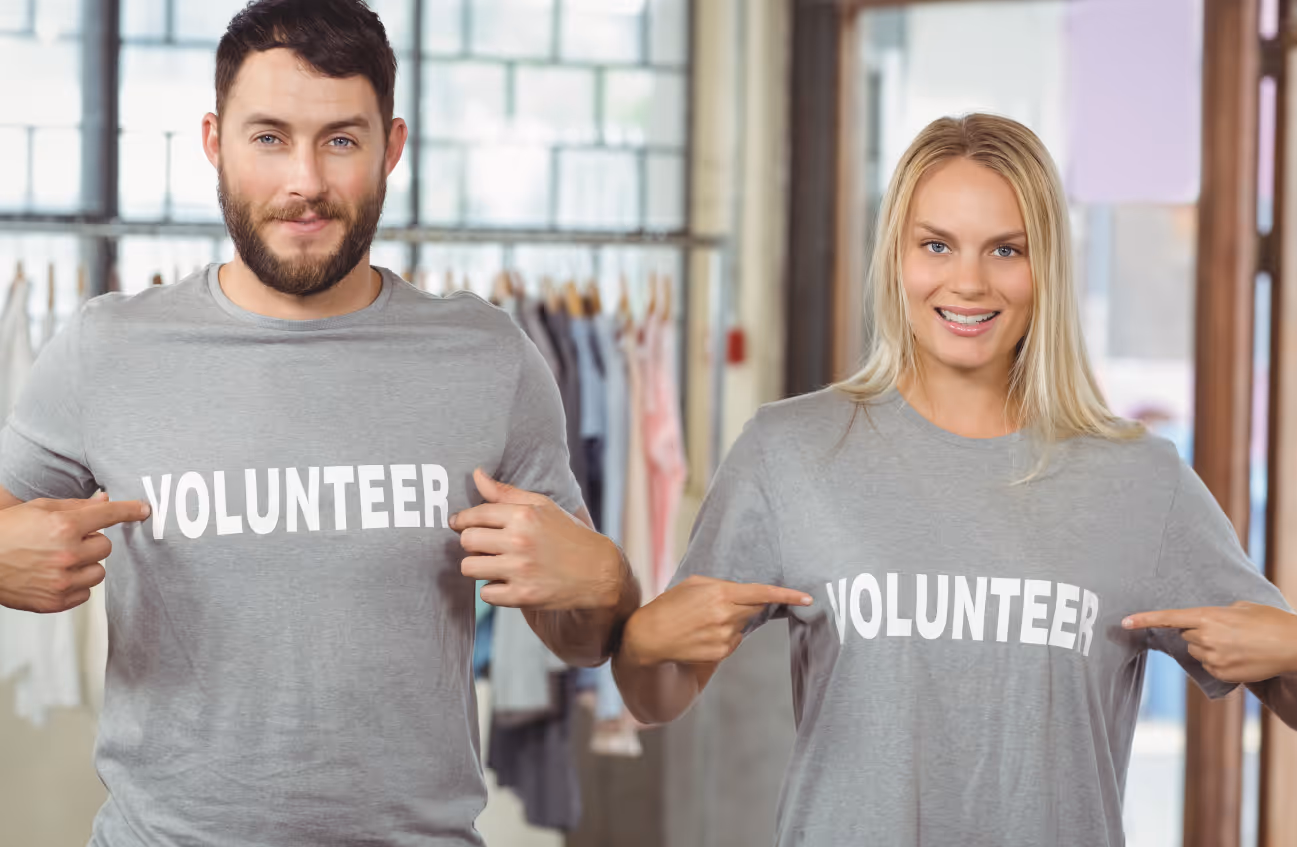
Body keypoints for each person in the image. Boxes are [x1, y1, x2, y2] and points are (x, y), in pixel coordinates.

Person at [455, 113, 1297, 846]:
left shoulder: (1138, 481)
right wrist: (642, 642)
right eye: (936, 244)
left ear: (1047, 269)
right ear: (895, 256)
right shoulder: (790, 452)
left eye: (1006, 249)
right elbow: (653, 696)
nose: (967, 282)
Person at [0, 1, 635, 845]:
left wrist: (606, 583)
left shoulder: (490, 355)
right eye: (268, 138)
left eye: (341, 139)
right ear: (212, 141)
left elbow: (582, 631)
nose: (304, 181)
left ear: (391, 147)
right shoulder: (102, 348)